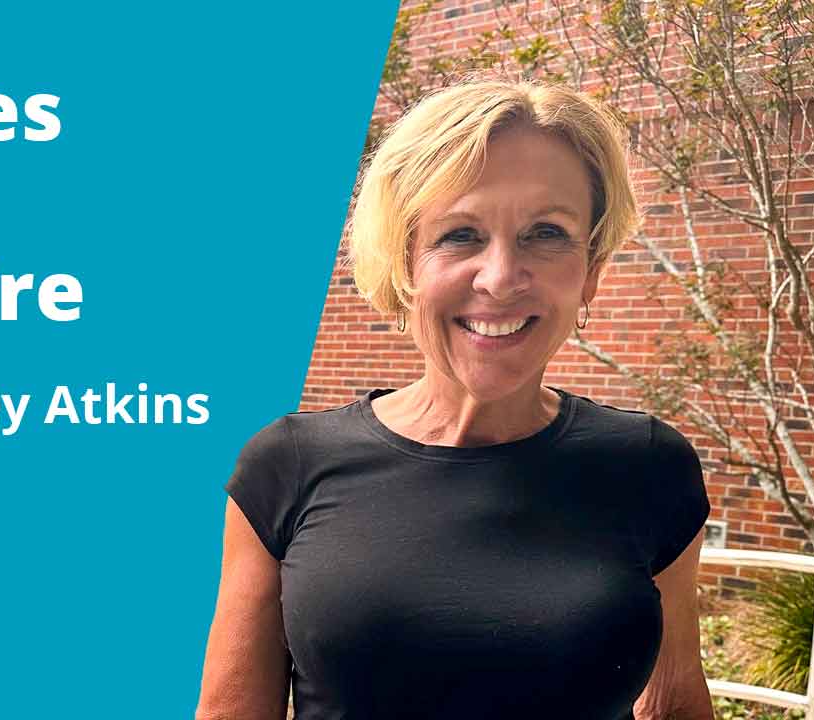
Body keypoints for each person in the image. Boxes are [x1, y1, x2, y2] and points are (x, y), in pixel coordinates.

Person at [196, 79, 713, 720]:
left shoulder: (650, 466)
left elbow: (675, 704)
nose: (499, 278)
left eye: (546, 232)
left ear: (592, 271)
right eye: (460, 234)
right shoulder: (286, 466)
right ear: (408, 265)